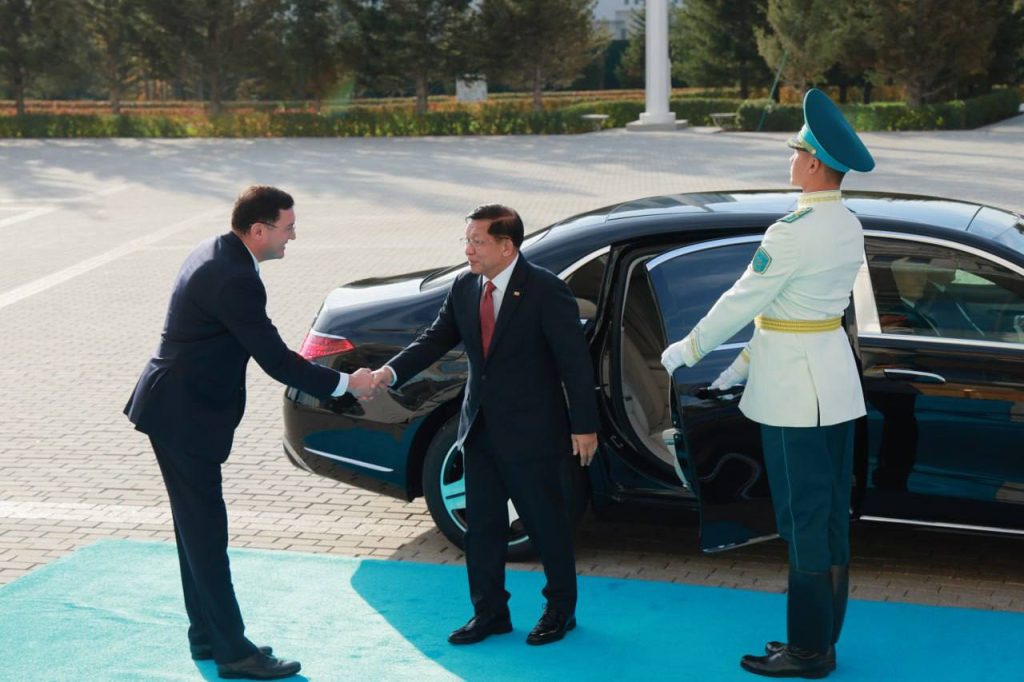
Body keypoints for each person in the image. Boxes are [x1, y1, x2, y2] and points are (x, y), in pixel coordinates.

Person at [661, 89, 875, 679]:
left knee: (804, 524)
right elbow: (793, 315)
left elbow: (743, 301)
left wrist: (686, 351)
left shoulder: (791, 231)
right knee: (829, 519)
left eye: (796, 151)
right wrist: (735, 371)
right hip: (833, 387)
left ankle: (807, 653)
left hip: (794, 398)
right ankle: (824, 637)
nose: (791, 159)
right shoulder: (848, 223)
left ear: (814, 164)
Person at [124, 186, 374, 680]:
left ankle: (206, 635)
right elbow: (276, 360)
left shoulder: (219, 250)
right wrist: (348, 384)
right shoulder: (234, 278)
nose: (293, 236)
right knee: (206, 534)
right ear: (258, 230)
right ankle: (233, 652)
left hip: (174, 406)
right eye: (288, 228)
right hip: (183, 414)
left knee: (195, 530)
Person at [369, 204, 599, 646]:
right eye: (468, 240)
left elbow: (574, 362)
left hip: (533, 432)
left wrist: (584, 426)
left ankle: (560, 610)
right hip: (479, 429)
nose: (469, 250)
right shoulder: (465, 286)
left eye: (478, 241)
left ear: (506, 246)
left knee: (546, 524)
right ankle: (490, 613)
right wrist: (389, 372)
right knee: (483, 529)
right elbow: (434, 339)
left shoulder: (546, 289)